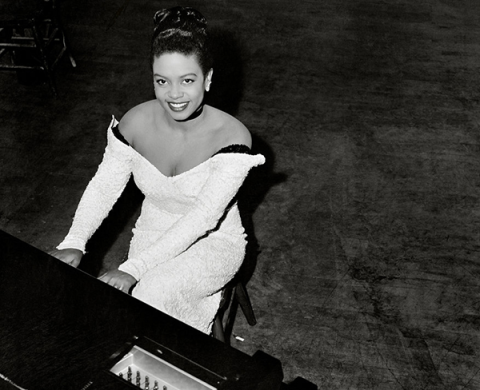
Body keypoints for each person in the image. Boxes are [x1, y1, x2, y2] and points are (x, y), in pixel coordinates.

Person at [49, 6, 265, 334]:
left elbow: (204, 217)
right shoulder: (135, 122)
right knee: (121, 308)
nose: (174, 94)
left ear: (207, 79)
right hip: (152, 231)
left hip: (214, 240)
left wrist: (135, 267)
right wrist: (75, 240)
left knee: (151, 293)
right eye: (162, 80)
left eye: (187, 80)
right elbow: (104, 184)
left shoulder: (232, 137)